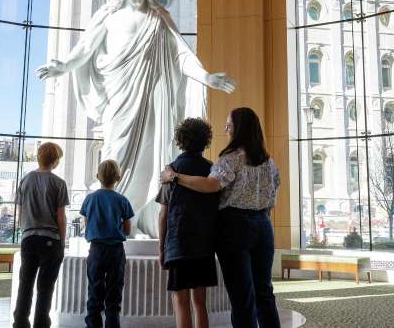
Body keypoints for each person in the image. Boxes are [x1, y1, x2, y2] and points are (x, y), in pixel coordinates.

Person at [36, 0, 235, 236]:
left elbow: (181, 54)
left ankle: (139, 219)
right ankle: (114, 220)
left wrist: (206, 76)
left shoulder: (158, 18)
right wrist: (63, 66)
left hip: (153, 102)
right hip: (120, 99)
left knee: (150, 159)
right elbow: (85, 48)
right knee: (115, 153)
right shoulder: (109, 16)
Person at [161, 107, 281, 328]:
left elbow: (211, 185)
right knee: (264, 292)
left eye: (229, 125)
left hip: (235, 227)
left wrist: (175, 176)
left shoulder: (231, 159)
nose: (226, 129)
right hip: (264, 227)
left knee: (242, 295)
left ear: (239, 129)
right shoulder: (268, 162)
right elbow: (273, 197)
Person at [157, 117, 218, 328]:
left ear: (180, 140)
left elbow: (163, 214)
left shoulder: (170, 171)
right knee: (200, 302)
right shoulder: (212, 170)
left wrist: (161, 249)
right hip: (204, 243)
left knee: (180, 301)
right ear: (206, 140)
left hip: (178, 243)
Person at [13, 142, 69, 328]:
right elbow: (60, 217)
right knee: (45, 288)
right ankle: (41, 324)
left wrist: (25, 232)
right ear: (55, 160)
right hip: (50, 240)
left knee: (25, 284)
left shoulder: (25, 180)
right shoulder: (58, 183)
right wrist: (62, 242)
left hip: (28, 238)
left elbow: (20, 213)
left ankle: (20, 323)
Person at [80, 160, 135, 328]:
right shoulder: (122, 200)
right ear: (118, 177)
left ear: (97, 177)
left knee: (94, 294)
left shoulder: (90, 199)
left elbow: (85, 223)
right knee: (113, 296)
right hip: (116, 251)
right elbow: (127, 228)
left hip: (96, 250)